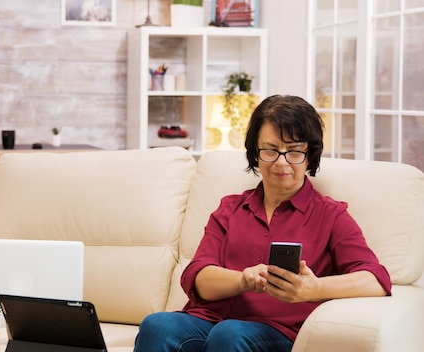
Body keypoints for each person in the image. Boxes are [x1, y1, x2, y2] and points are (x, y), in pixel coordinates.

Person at [133, 95, 392, 352]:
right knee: (157, 325)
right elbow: (198, 276)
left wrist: (313, 288)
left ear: (309, 156)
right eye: (270, 150)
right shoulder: (230, 209)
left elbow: (376, 281)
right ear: (255, 155)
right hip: (208, 322)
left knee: (230, 334)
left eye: (293, 151)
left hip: (276, 332)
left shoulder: (331, 215)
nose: (281, 162)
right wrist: (243, 280)